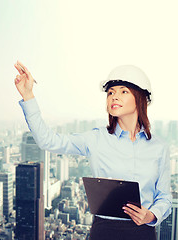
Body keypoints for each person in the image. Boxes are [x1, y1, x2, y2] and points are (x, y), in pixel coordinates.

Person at [14, 61, 172, 240]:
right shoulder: (96, 139)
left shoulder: (159, 147)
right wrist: (28, 95)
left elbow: (165, 197)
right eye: (110, 92)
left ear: (141, 98)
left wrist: (151, 215)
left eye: (123, 91)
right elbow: (47, 140)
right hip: (104, 230)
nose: (114, 96)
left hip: (143, 232)